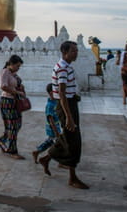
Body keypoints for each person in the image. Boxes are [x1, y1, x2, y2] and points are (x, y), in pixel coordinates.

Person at [39, 41, 89, 190]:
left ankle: (46, 158)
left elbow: (66, 91)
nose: (76, 53)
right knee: (74, 141)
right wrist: (69, 116)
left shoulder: (67, 67)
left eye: (76, 50)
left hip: (69, 103)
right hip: (66, 106)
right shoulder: (62, 68)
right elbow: (61, 93)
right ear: (64, 52)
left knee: (68, 138)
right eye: (73, 51)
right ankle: (72, 178)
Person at [0, 54, 26, 159]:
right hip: (7, 101)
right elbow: (3, 86)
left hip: (15, 101)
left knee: (17, 125)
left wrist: (20, 88)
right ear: (11, 64)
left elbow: (17, 84)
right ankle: (12, 151)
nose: (18, 68)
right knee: (12, 126)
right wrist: (17, 92)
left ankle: (2, 140)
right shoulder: (5, 72)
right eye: (17, 66)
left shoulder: (13, 74)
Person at [31, 83, 61, 163]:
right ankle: (60, 161)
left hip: (56, 126)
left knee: (50, 142)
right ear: (51, 93)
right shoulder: (50, 105)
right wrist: (56, 131)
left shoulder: (55, 102)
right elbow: (51, 120)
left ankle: (37, 152)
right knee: (58, 144)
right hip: (53, 128)